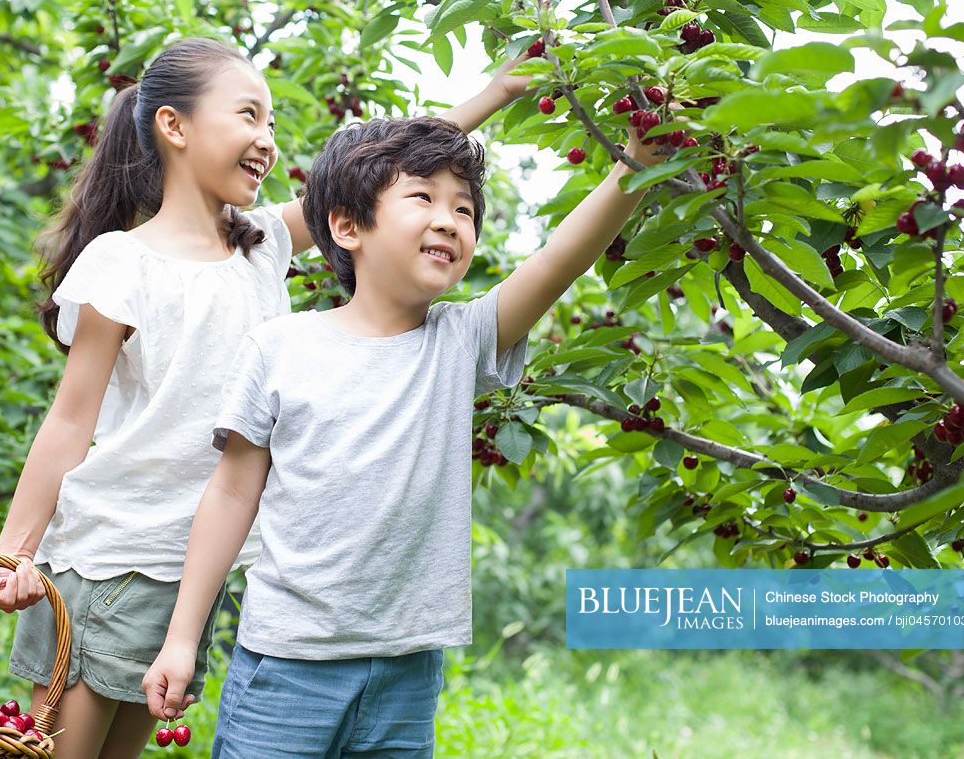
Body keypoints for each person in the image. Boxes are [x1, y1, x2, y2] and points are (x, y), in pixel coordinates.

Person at [0, 35, 531, 758]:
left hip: (193, 573)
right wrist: (10, 549)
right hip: (115, 557)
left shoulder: (260, 242)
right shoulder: (122, 261)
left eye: (270, 124)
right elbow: (69, 419)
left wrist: (495, 92)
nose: (266, 140)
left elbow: (388, 172)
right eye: (248, 115)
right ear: (174, 127)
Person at [142, 109, 669, 756]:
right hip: (286, 660)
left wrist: (636, 164)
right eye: (422, 197)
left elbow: (558, 260)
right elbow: (228, 496)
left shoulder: (457, 340)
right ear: (345, 224)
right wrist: (181, 637)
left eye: (465, 209)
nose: (449, 219)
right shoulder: (279, 347)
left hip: (405, 671)